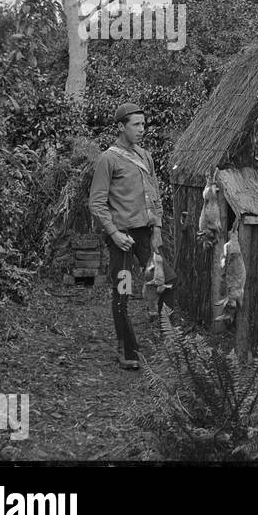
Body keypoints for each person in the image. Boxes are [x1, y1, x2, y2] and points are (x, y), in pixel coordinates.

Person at [88, 102, 164, 370]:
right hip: (121, 237)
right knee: (122, 292)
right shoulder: (108, 159)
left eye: (144, 124)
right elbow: (96, 203)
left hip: (146, 234)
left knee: (168, 284)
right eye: (136, 124)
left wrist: (157, 229)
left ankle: (173, 346)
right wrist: (114, 233)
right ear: (121, 127)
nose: (142, 129)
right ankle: (127, 351)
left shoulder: (146, 156)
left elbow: (155, 195)